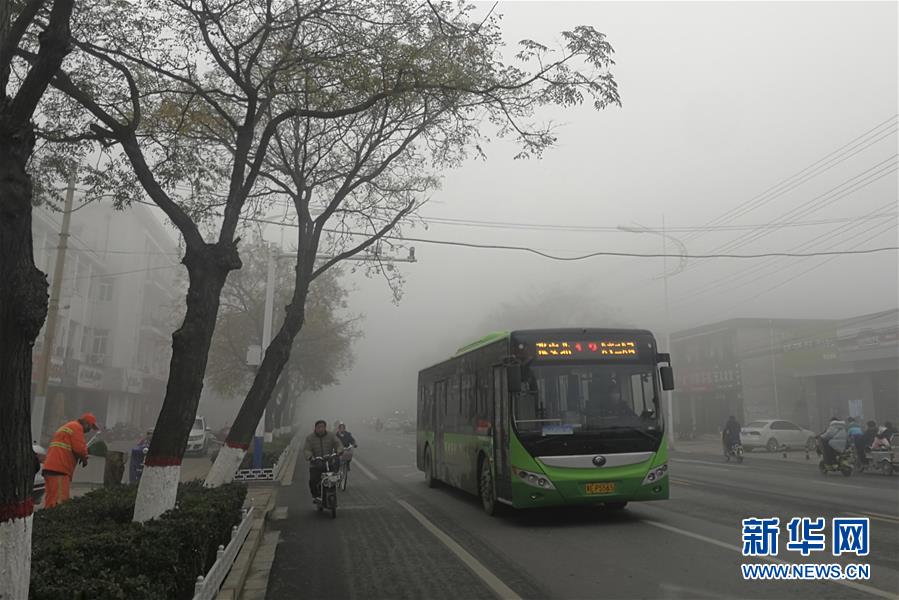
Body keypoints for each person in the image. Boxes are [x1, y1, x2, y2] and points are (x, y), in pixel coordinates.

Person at [42, 413, 100, 508]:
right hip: (60, 469)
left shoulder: (68, 426)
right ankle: (57, 521)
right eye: (90, 426)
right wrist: (84, 457)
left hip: (50, 468)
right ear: (86, 423)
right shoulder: (77, 428)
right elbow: (79, 448)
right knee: (60, 501)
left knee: (51, 500)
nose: (89, 430)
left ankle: (48, 520)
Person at [303, 420, 344, 503]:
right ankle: (315, 496)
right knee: (313, 480)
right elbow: (307, 450)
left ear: (325, 427)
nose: (321, 429)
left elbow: (338, 444)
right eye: (319, 427)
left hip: (329, 462)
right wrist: (310, 457)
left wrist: (339, 451)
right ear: (315, 428)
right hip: (316, 463)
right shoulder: (310, 438)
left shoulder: (331, 436)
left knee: (333, 478)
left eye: (323, 427)